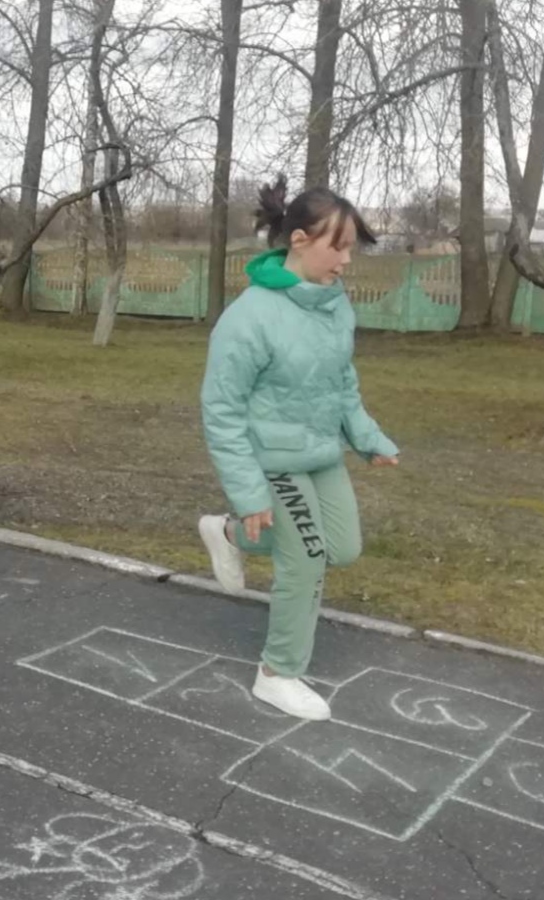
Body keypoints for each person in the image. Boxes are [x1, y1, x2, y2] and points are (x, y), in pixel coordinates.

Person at [198, 176, 399, 722]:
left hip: (321, 454)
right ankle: (277, 673)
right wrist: (249, 493)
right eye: (338, 247)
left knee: (344, 548)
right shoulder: (249, 319)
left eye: (351, 248)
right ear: (300, 241)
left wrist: (367, 438)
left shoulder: (334, 307)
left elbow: (341, 383)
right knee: (304, 559)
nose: (346, 260)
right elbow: (222, 412)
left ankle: (227, 534)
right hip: (271, 461)